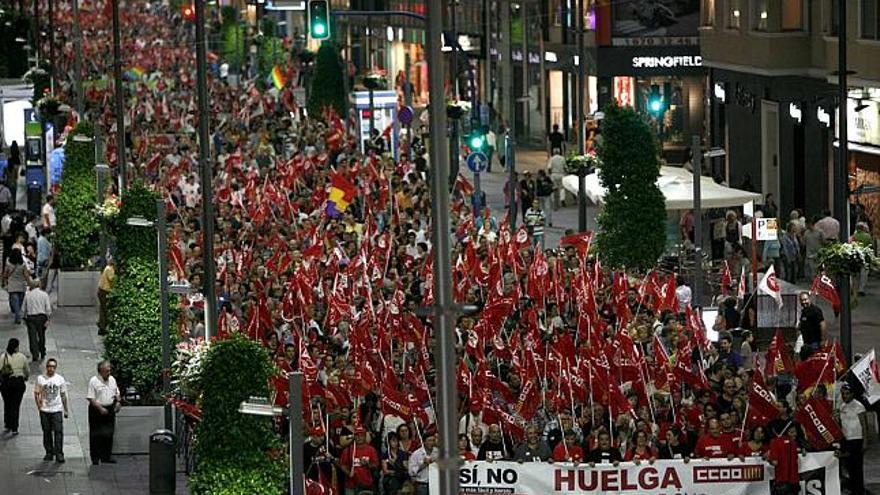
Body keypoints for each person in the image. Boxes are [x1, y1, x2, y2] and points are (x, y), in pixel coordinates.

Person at [86, 360, 122, 464]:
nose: (108, 373)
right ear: (100, 371)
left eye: (109, 370)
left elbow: (116, 392)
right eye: (106, 371)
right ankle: (95, 458)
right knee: (96, 434)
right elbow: (91, 398)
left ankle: (106, 456)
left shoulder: (112, 379)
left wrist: (119, 402)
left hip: (109, 408)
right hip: (97, 409)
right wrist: (100, 408)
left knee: (109, 433)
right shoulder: (94, 381)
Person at [34, 358, 69, 463]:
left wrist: (66, 409)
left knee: (58, 432)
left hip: (57, 409)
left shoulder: (60, 379)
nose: (51, 369)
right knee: (47, 432)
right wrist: (39, 406)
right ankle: (49, 452)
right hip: (45, 410)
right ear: (46, 367)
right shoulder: (40, 379)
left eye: (53, 367)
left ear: (56, 368)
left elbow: (63, 395)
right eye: (49, 366)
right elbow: (36, 392)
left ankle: (59, 453)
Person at [838, 384, 867, 495]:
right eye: (843, 394)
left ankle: (859, 490)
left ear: (852, 394)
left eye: (847, 393)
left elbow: (864, 425)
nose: (845, 396)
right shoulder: (842, 406)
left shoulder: (859, 406)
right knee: (849, 466)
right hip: (847, 440)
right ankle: (853, 489)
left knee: (857, 467)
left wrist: (865, 440)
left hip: (857, 439)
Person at [337, 425, 378, 495]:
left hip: (366, 484)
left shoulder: (371, 450)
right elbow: (342, 465)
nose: (359, 437)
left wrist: (367, 464)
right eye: (357, 435)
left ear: (365, 436)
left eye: (361, 435)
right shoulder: (348, 450)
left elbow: (375, 465)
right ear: (354, 437)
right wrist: (349, 473)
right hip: (351, 485)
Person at [1, 338, 29, 434]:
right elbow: (27, 371)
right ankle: (14, 427)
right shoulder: (22, 357)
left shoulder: (3, 357)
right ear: (17, 347)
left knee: (7, 404)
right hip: (18, 383)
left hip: (6, 383)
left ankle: (7, 424)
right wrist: (25, 377)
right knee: (15, 405)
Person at [23, 279, 52, 362]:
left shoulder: (28, 295)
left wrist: (23, 318)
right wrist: (48, 320)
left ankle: (35, 354)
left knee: (32, 337)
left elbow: (23, 308)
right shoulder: (44, 295)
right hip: (42, 318)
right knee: (41, 335)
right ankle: (42, 351)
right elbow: (48, 309)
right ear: (39, 285)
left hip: (31, 318)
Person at [767, 423, 801, 495]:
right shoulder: (794, 443)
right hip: (794, 481)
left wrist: (768, 458)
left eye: (795, 431)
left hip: (782, 481)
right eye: (792, 432)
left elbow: (775, 462)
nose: (795, 434)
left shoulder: (775, 442)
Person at [4, 248, 30, 325]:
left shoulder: (8, 263)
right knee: (20, 302)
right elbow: (26, 275)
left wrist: (4, 281)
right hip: (21, 285)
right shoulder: (23, 265)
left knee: (15, 301)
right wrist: (30, 283)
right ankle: (17, 314)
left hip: (12, 285)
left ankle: (17, 314)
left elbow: (5, 273)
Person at [408, 430, 438, 495]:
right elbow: (411, 472)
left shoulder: (439, 453)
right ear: (424, 442)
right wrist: (423, 465)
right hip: (422, 485)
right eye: (429, 440)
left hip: (436, 484)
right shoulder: (416, 454)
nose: (432, 443)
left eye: (433, 440)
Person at [796, 291, 825, 359]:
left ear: (809, 299)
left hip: (815, 342)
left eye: (805, 299)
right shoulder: (804, 311)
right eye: (802, 300)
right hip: (806, 342)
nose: (804, 302)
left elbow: (823, 324)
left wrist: (823, 340)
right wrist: (799, 326)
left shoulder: (815, 310)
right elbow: (804, 322)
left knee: (813, 361)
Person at [97, 258, 116, 335]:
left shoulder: (107, 268)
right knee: (105, 309)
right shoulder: (110, 269)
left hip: (101, 290)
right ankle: (103, 327)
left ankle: (102, 326)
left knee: (102, 309)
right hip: (104, 291)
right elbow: (112, 279)